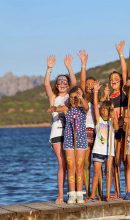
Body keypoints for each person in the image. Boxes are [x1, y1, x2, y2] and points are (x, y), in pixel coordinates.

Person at [44, 54, 77, 204]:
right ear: (56, 85)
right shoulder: (54, 98)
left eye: (64, 82)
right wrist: (49, 68)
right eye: (60, 82)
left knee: (72, 163)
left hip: (70, 132)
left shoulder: (71, 96)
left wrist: (69, 67)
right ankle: (60, 195)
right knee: (62, 163)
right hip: (57, 133)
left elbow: (75, 83)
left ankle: (74, 193)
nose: (62, 83)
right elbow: (46, 85)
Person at [47, 86, 89, 203]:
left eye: (75, 98)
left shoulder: (82, 109)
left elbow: (86, 107)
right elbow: (58, 108)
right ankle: (72, 194)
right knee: (71, 166)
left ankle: (79, 193)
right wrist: (53, 108)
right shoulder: (67, 109)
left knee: (79, 166)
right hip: (69, 140)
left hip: (80, 139)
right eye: (71, 98)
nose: (73, 100)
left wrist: (81, 97)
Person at [85, 81, 119, 202]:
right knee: (96, 172)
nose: (105, 113)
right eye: (103, 111)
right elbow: (95, 104)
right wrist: (95, 92)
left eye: (107, 111)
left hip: (109, 151)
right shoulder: (98, 121)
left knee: (108, 172)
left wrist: (114, 116)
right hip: (98, 150)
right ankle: (92, 195)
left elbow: (117, 127)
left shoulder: (111, 120)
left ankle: (108, 195)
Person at [103, 41, 128, 198]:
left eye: (116, 78)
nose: (113, 80)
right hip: (111, 130)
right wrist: (104, 97)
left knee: (123, 161)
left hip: (123, 129)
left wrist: (120, 54)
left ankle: (124, 190)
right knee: (113, 161)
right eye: (111, 79)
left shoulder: (124, 92)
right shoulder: (108, 96)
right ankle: (116, 191)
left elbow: (125, 71)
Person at [77, 49, 96, 197]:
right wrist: (83, 64)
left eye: (92, 84)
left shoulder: (98, 100)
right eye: (88, 84)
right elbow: (82, 82)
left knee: (91, 162)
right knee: (84, 162)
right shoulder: (83, 97)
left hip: (95, 132)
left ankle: (92, 190)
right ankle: (84, 188)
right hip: (84, 131)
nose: (89, 86)